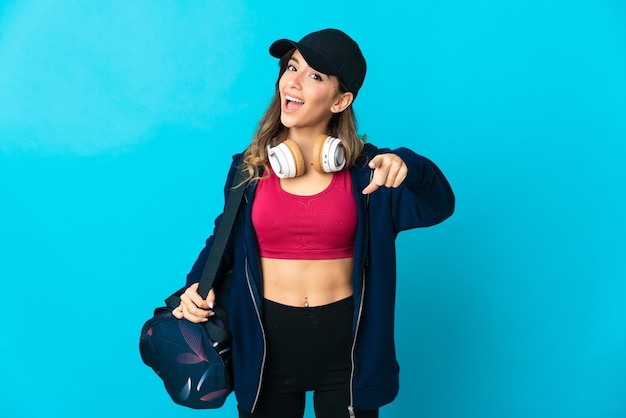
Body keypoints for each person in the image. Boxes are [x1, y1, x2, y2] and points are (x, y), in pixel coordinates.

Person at [172, 28, 455, 418]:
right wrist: (195, 285)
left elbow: (439, 206)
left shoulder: (370, 173)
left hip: (347, 348)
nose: (293, 81)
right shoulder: (248, 170)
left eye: (315, 75)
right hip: (265, 341)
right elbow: (222, 237)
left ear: (341, 100)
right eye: (292, 67)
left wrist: (411, 165)